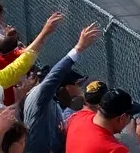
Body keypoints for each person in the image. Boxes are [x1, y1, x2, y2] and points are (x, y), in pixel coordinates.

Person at [21, 23, 99, 153]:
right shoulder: (39, 97)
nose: (79, 88)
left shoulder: (53, 103)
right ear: (66, 87)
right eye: (77, 84)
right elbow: (55, 75)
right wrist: (78, 48)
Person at [64, 89, 140, 153]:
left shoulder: (79, 116)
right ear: (121, 118)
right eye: (130, 116)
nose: (130, 120)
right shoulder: (113, 149)